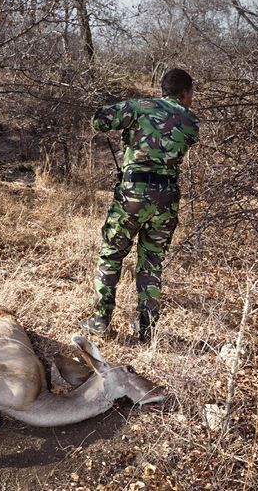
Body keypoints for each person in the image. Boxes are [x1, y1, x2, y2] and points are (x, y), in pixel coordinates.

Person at [80, 68, 199, 342]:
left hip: (132, 194)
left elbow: (99, 121)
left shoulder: (139, 107)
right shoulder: (191, 120)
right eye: (192, 93)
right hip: (166, 197)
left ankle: (100, 319)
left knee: (112, 253)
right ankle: (146, 329)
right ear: (184, 92)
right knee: (152, 262)